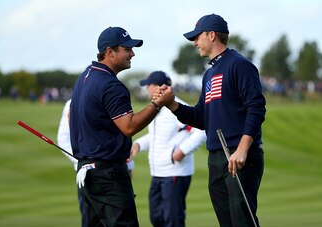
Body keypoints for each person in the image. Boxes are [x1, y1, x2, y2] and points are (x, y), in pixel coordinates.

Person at [158, 14, 266, 226]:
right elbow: (201, 117)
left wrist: (243, 148)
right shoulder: (209, 74)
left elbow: (256, 108)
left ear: (212, 35)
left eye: (197, 37)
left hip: (239, 155)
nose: (194, 42)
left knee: (242, 221)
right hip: (216, 157)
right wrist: (172, 104)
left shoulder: (239, 65)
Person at [69, 26, 174, 227]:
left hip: (87, 172)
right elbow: (129, 127)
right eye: (127, 49)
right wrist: (157, 104)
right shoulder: (110, 85)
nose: (132, 53)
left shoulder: (85, 77)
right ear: (110, 52)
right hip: (107, 174)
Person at [130, 71, 206, 227]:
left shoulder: (176, 107)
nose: (147, 90)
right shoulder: (156, 107)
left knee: (173, 220)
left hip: (175, 173)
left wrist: (181, 151)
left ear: (157, 87)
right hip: (158, 173)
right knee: (157, 218)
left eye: (148, 86)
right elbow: (157, 136)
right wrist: (138, 144)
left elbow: (201, 130)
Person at [57, 99, 136, 227]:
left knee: (120, 221)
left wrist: (129, 167)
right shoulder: (72, 103)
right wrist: (84, 160)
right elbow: (63, 138)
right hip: (87, 175)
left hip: (115, 172)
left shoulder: (112, 97)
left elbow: (120, 134)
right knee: (92, 222)